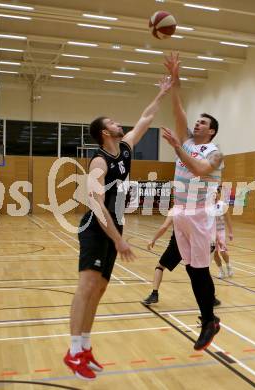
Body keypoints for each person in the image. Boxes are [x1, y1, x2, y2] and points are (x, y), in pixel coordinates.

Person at [64, 76, 172, 380]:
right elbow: (97, 207)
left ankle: (84, 346)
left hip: (115, 228)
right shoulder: (98, 162)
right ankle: (73, 352)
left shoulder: (124, 149)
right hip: (96, 228)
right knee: (86, 287)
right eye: (112, 122)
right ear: (103, 132)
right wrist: (119, 241)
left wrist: (162, 93)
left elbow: (146, 117)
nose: (118, 124)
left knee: (99, 289)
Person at [162, 52, 224, 351]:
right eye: (196, 121)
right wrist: (175, 79)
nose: (196, 124)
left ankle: (209, 319)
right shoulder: (185, 141)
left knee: (199, 269)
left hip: (200, 215)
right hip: (180, 213)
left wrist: (177, 149)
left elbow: (199, 170)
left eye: (202, 123)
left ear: (211, 130)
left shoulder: (215, 152)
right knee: (190, 268)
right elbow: (178, 109)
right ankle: (208, 316)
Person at [143, 214, 221, 307]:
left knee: (160, 267)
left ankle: (154, 294)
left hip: (177, 244)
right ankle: (210, 298)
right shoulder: (193, 210)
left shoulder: (175, 210)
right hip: (193, 243)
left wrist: (153, 240)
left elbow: (164, 227)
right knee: (201, 271)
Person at [213, 186, 234, 279]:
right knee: (214, 252)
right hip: (211, 232)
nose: (214, 195)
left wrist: (230, 232)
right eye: (213, 193)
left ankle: (228, 266)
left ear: (219, 194)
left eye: (216, 193)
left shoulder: (223, 205)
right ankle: (221, 270)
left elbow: (228, 220)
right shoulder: (207, 205)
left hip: (221, 231)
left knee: (222, 251)